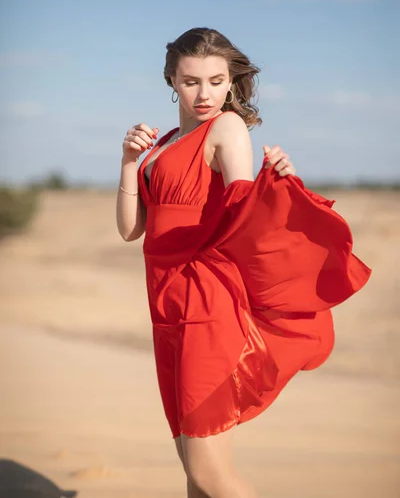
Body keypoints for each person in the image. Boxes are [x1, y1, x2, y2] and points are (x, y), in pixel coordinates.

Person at [116, 27, 371, 498]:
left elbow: (241, 204)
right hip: (165, 307)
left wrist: (279, 187)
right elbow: (132, 229)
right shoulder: (164, 141)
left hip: (205, 304)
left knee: (210, 470)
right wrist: (130, 162)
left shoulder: (226, 128)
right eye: (191, 81)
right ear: (171, 78)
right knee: (193, 468)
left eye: (216, 81)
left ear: (231, 80)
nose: (204, 94)